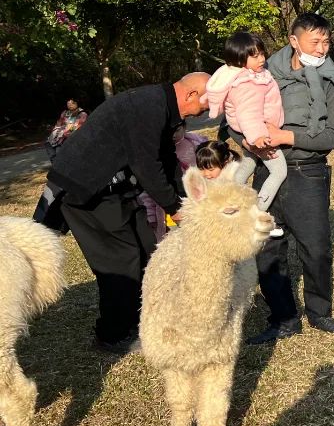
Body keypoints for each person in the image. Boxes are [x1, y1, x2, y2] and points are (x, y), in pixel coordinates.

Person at [47, 72, 211, 352]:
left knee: (148, 250)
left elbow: (166, 159)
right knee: (120, 260)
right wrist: (175, 209)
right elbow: (146, 165)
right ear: (191, 95)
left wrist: (186, 200)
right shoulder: (149, 106)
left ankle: (144, 320)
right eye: (207, 104)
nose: (207, 111)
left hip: (117, 186)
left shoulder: (164, 107)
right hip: (85, 188)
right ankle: (112, 335)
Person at [234, 12, 334, 344]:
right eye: (314, 42)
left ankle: (320, 313)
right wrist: (247, 139)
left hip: (307, 172)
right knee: (267, 247)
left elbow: (331, 136)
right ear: (293, 41)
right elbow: (236, 113)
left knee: (315, 247)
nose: (321, 49)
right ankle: (284, 318)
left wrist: (284, 136)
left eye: (326, 42)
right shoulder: (262, 75)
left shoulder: (332, 81)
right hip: (267, 171)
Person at [205, 31, 286, 236]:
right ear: (240, 59)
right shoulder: (248, 83)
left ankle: (226, 199)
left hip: (254, 130)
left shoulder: (244, 75)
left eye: (261, 54)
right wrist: (258, 137)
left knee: (248, 164)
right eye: (255, 55)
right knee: (279, 171)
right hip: (259, 132)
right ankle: (256, 215)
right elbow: (248, 112)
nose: (262, 59)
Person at [139, 124, 208, 242]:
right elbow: (149, 189)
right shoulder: (156, 153)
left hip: (192, 202)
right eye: (170, 132)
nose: (173, 135)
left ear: (185, 127)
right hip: (167, 212)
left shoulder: (193, 145)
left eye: (177, 130)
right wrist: (150, 215)